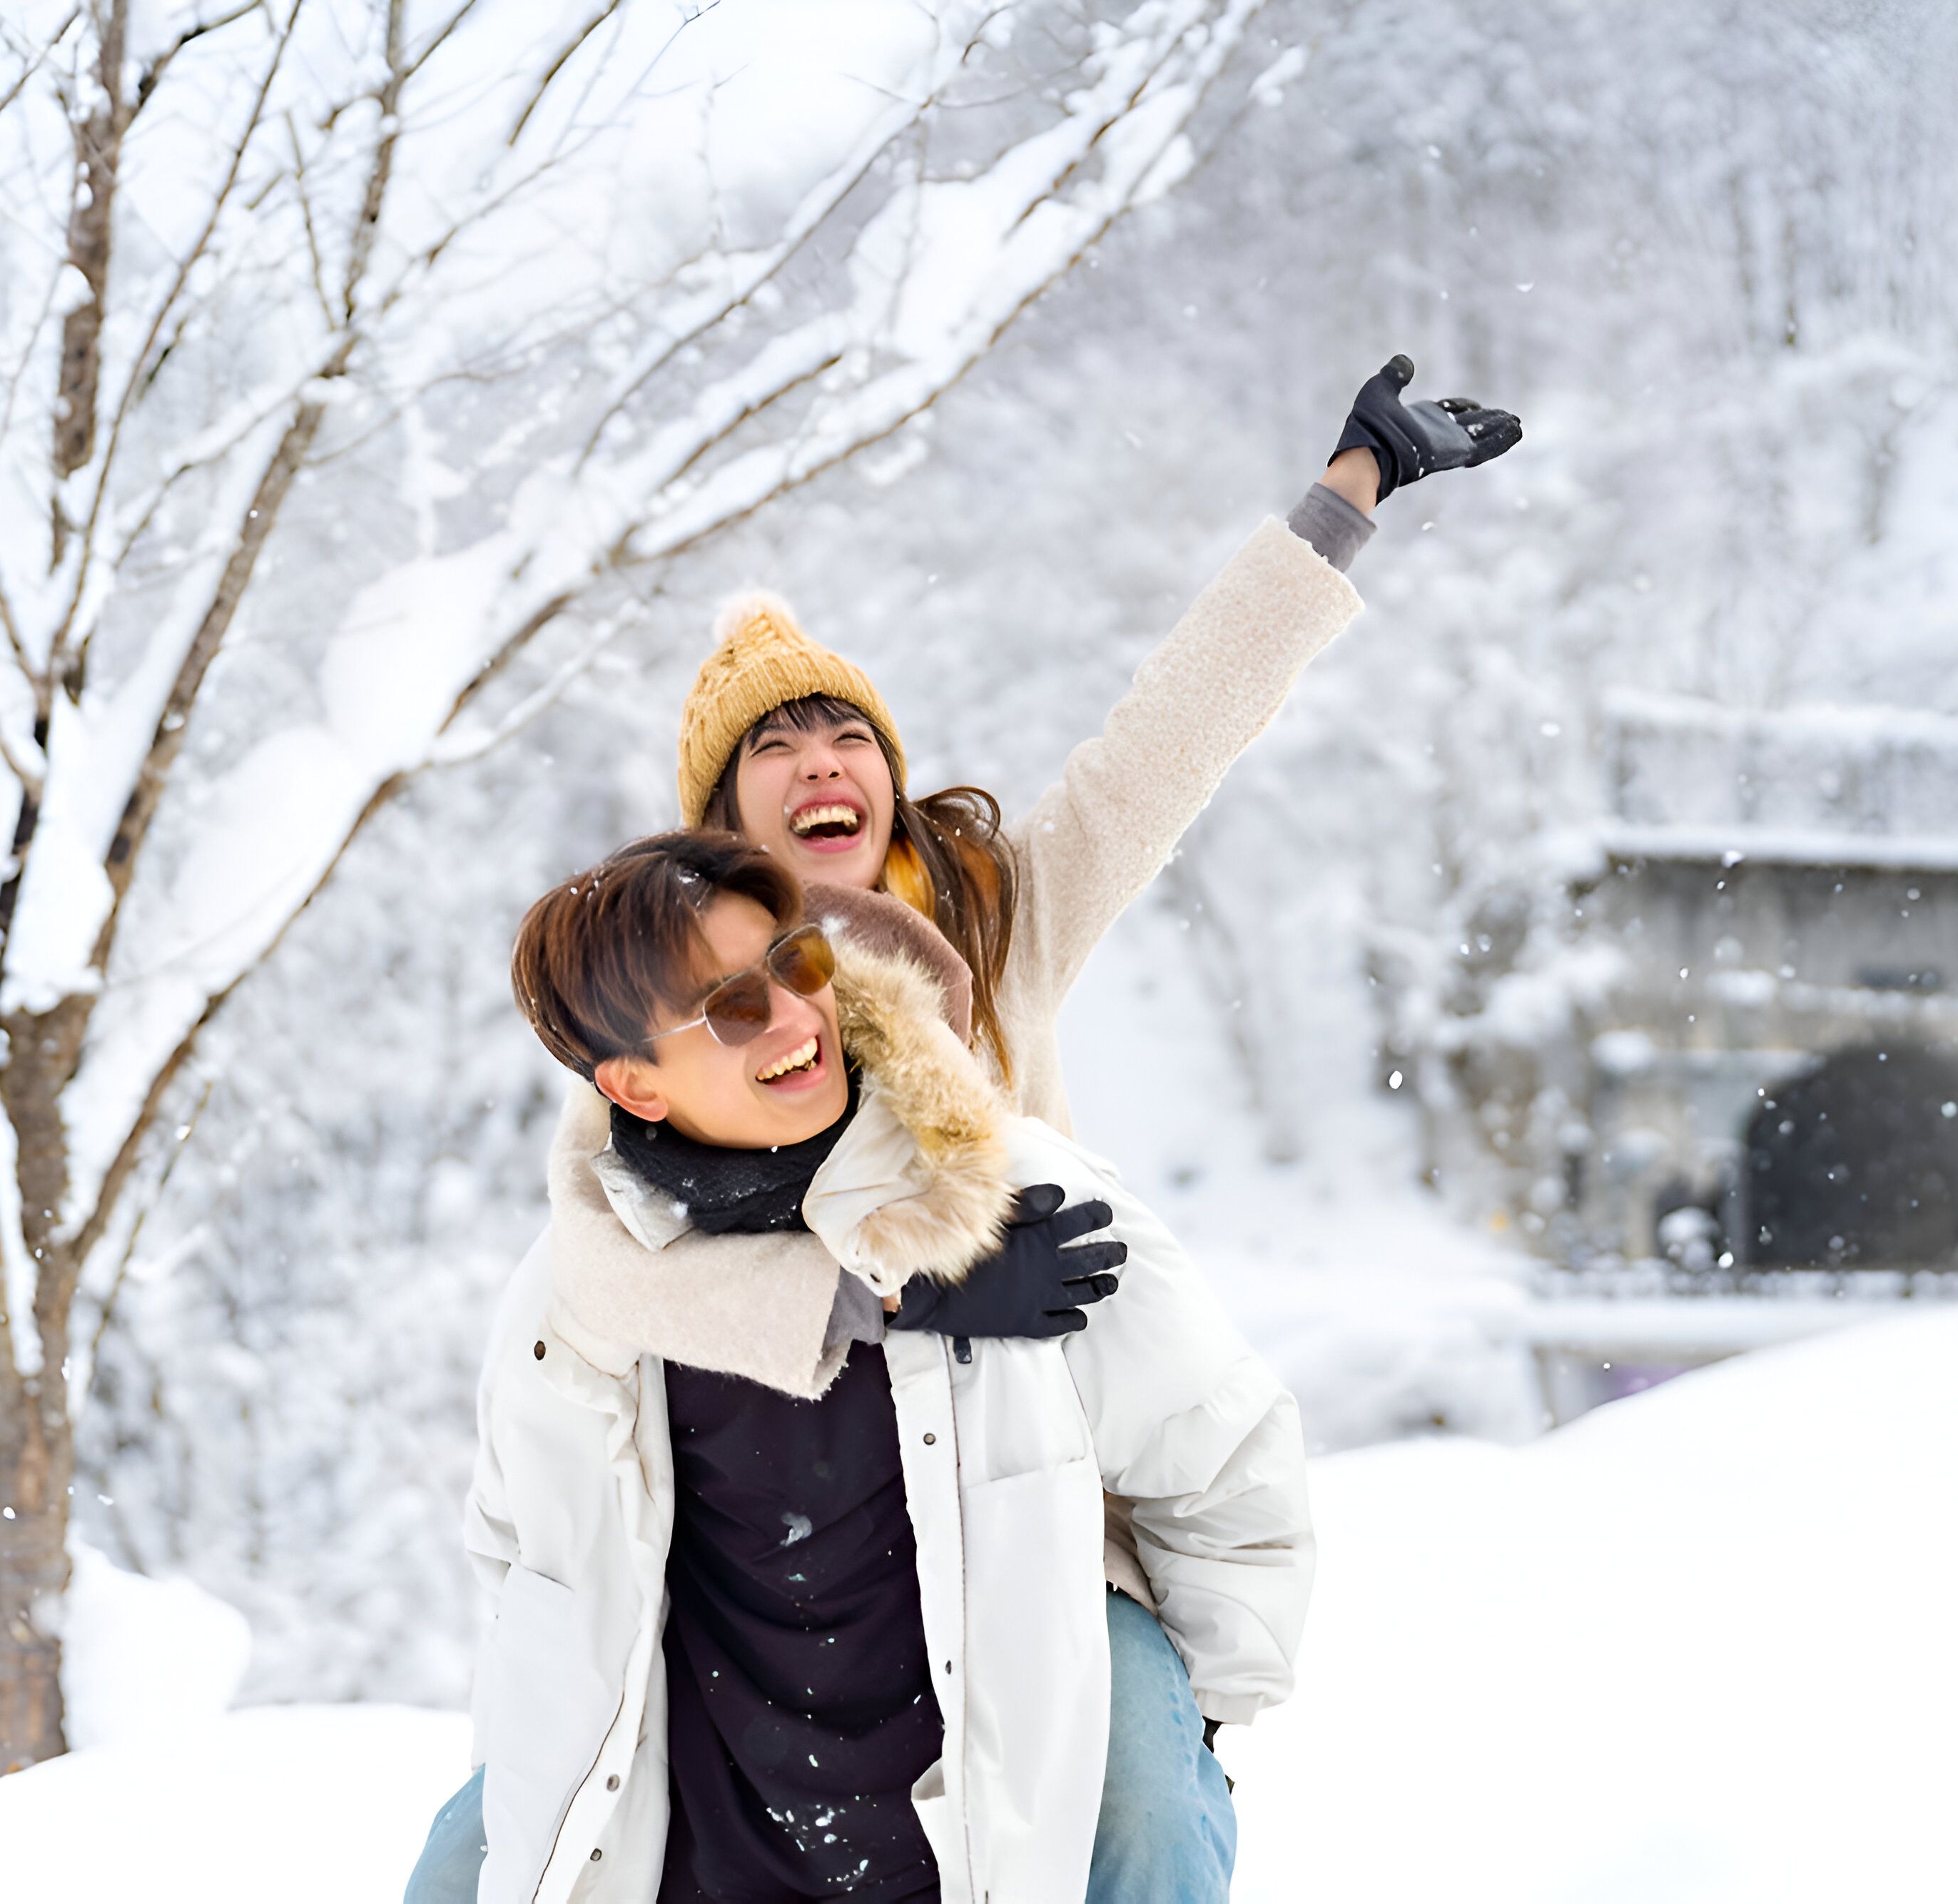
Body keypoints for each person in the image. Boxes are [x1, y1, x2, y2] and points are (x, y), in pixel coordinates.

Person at [410, 356, 1519, 1904]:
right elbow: (607, 1276)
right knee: (482, 1850)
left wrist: (1343, 498)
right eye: (775, 747)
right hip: (784, 1517)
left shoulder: (997, 925)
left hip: (1034, 1486)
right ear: (720, 829)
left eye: (846, 733)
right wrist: (893, 1284)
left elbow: (1172, 734)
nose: (822, 764)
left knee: (1133, 1790)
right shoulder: (681, 1008)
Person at [465, 834, 1312, 1904]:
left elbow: (1225, 1455)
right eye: (730, 1007)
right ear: (635, 1087)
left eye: (795, 962)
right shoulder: (581, 1300)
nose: (789, 1015)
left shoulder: (1011, 1200)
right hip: (717, 1859)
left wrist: (1188, 1732)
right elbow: (521, 1564)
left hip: (979, 1855)